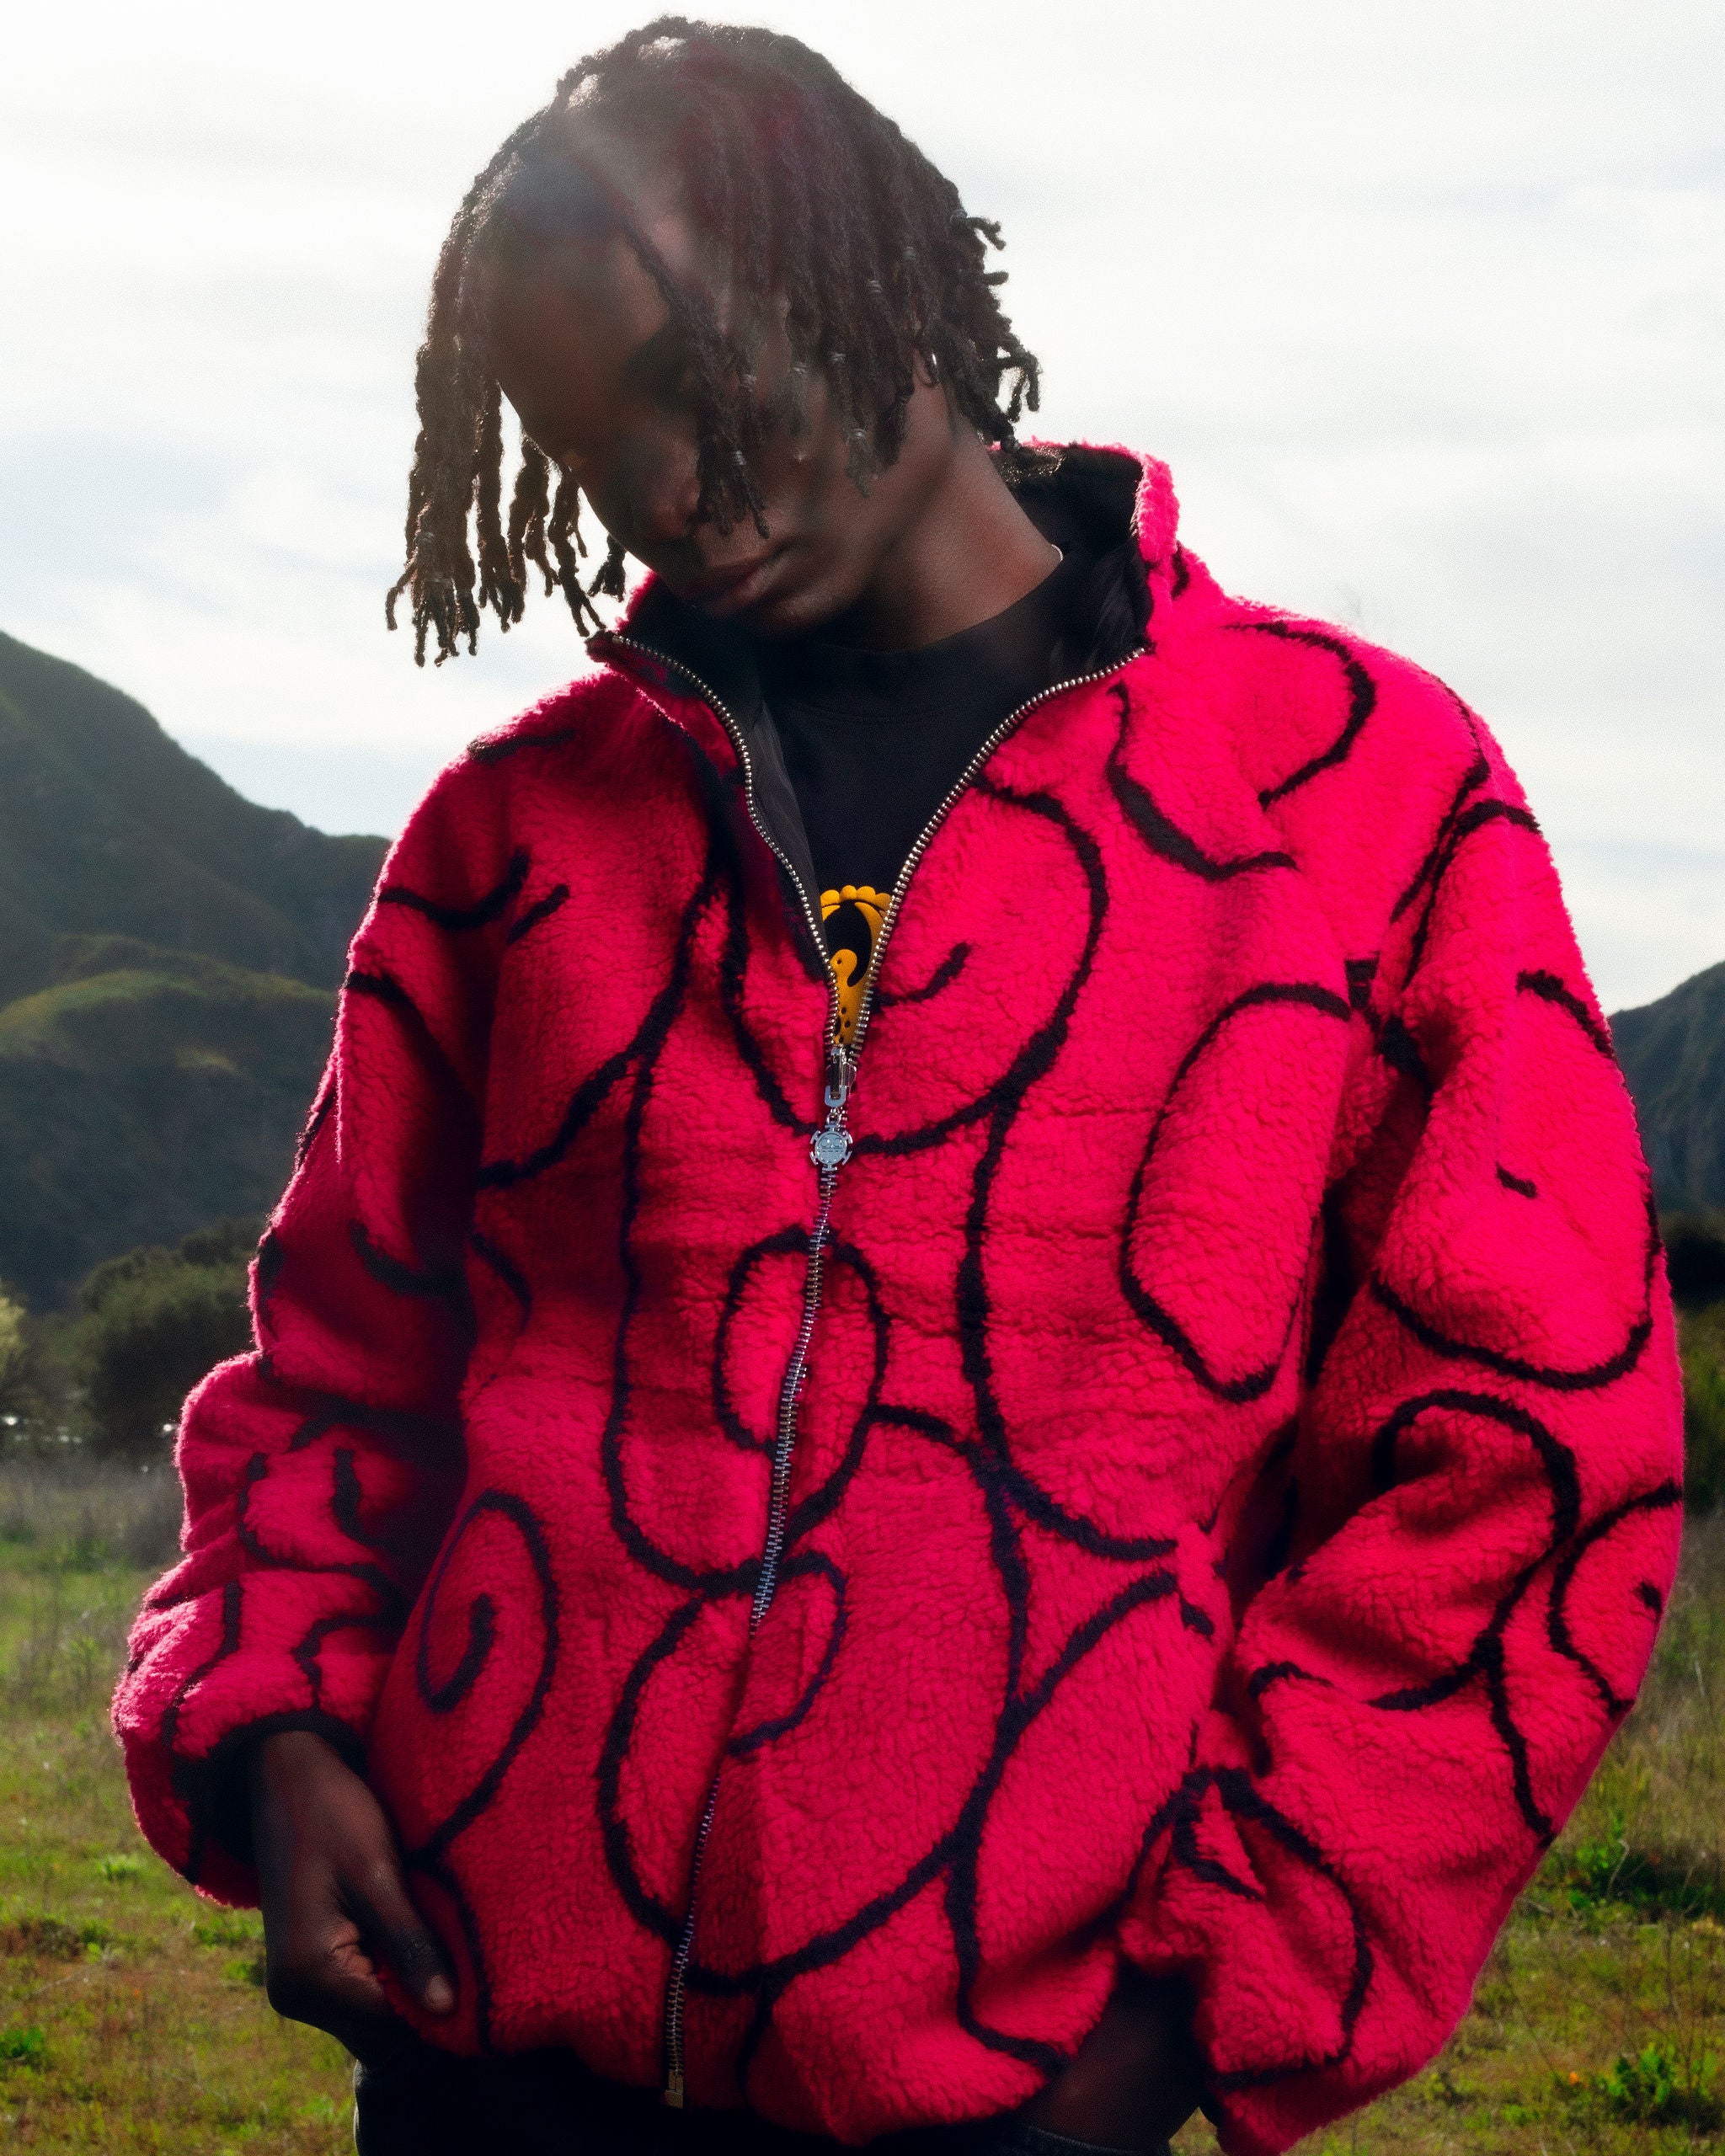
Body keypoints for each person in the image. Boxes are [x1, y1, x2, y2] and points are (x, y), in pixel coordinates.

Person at [114, 19, 1685, 2156]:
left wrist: (1181, 2021)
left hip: (1020, 2096)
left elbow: (1527, 1451)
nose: (666, 493)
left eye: (695, 381)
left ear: (882, 287)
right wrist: (277, 1726)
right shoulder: (515, 842)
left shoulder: (1355, 797)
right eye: (587, 447)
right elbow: (336, 1368)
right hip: (482, 2065)